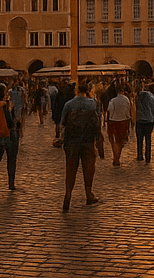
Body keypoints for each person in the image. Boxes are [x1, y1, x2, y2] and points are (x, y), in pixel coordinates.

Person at [59, 80, 102, 211]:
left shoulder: (69, 104)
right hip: (88, 140)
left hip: (72, 141)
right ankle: (89, 194)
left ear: (76, 91)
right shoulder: (92, 103)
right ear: (87, 91)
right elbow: (98, 122)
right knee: (88, 168)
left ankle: (68, 194)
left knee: (71, 168)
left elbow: (63, 122)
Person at [105, 83, 132, 167]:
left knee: (113, 140)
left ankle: (115, 157)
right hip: (123, 121)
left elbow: (110, 110)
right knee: (120, 140)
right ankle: (117, 157)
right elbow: (128, 111)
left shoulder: (112, 100)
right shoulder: (126, 100)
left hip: (113, 121)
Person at [134, 82, 154, 163]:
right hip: (149, 121)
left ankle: (139, 155)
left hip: (140, 120)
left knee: (139, 139)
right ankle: (148, 157)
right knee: (148, 139)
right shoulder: (152, 98)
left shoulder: (139, 96)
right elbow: (153, 109)